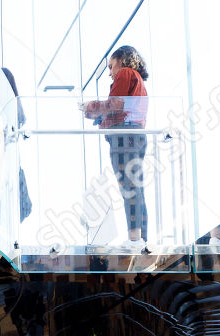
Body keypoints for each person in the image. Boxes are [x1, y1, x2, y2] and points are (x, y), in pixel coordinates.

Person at [81, 46, 151, 247]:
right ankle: (140, 238)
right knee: (135, 187)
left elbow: (115, 104)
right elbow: (119, 107)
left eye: (111, 67)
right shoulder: (137, 80)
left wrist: (91, 107)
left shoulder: (126, 73)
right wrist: (100, 114)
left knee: (128, 187)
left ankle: (135, 239)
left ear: (122, 59)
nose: (111, 74)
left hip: (123, 136)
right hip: (134, 135)